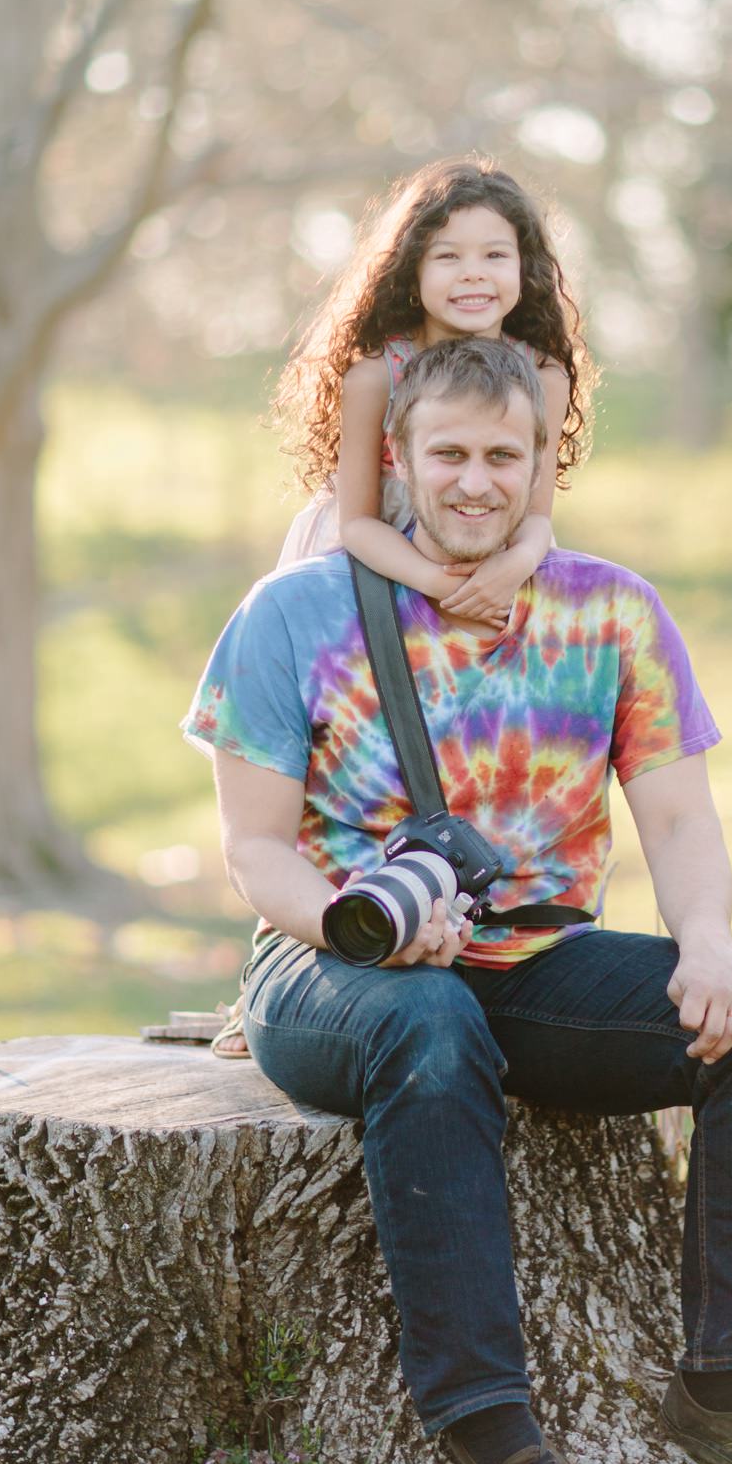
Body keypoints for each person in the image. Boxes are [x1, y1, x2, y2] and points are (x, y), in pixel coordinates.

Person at [182, 337, 732, 1464]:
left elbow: (679, 816)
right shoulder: (297, 611)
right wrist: (351, 925)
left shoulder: (610, 610)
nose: (476, 481)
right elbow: (253, 852)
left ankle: (730, 1392)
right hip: (328, 965)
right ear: (398, 458)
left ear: (544, 460)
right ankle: (496, 1434)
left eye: (505, 454)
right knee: (426, 1022)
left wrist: (705, 943)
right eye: (448, 453)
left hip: (534, 958)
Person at [211, 157, 591, 1057]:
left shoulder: (541, 371)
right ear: (409, 268)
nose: (472, 276)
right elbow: (353, 520)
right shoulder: (377, 371)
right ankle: (285, 952)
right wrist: (433, 583)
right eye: (448, 255)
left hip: (489, 555)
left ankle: (477, 932)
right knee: (317, 772)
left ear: (526, 272)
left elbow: (535, 515)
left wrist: (504, 573)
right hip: (368, 561)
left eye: (495, 256)